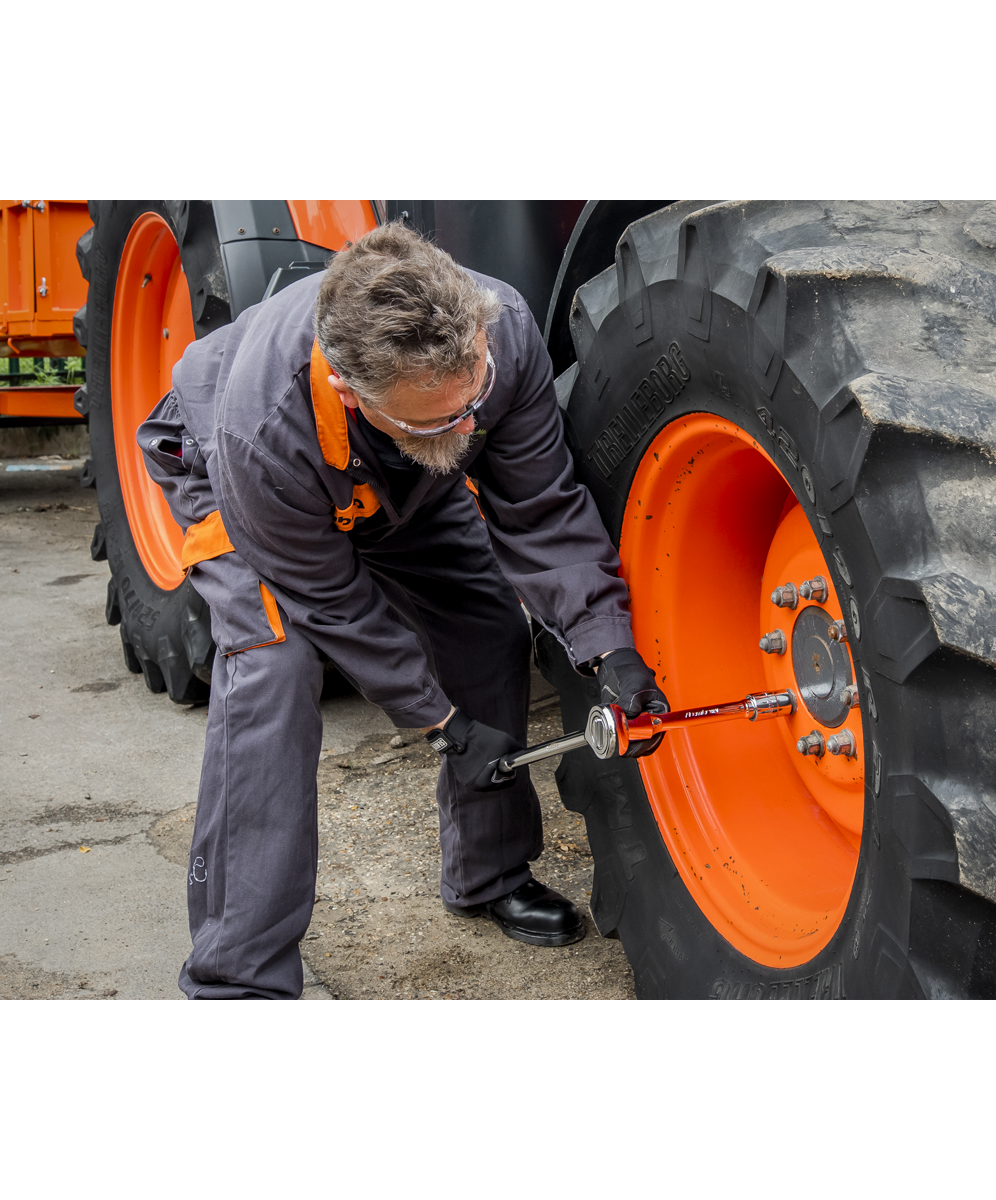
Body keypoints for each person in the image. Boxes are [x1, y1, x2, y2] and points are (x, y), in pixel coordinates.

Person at [139, 222, 667, 999]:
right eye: (437, 417)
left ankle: (489, 872)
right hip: (229, 474)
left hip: (403, 474)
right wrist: (441, 724)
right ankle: (237, 973)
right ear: (353, 391)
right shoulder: (261, 431)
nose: (465, 429)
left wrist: (607, 646)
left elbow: (540, 512)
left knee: (487, 623)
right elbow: (334, 602)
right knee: (274, 670)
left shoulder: (499, 337)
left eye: (472, 404)